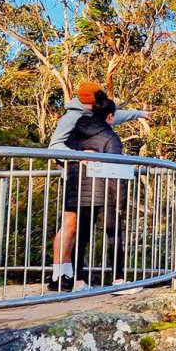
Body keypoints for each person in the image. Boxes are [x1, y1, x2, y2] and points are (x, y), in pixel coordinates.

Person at [47, 83, 146, 290]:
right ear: (93, 102)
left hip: (79, 182)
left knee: (77, 230)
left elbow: (114, 116)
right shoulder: (72, 119)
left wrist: (139, 113)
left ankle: (71, 277)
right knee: (71, 228)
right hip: (83, 181)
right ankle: (59, 275)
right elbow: (54, 146)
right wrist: (81, 157)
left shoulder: (90, 117)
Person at [60, 97, 126, 290]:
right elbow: (116, 170)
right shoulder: (109, 137)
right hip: (104, 192)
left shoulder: (75, 131)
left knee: (81, 237)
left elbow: (63, 155)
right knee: (113, 235)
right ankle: (118, 280)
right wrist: (120, 200)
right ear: (110, 116)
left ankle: (79, 281)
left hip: (77, 190)